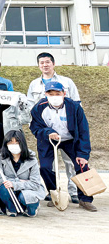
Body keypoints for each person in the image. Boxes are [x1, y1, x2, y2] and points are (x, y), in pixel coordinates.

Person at [29, 81, 96, 212]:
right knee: (45, 167)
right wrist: (48, 133)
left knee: (82, 166)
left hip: (70, 140)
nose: (54, 96)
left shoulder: (74, 107)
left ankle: (85, 199)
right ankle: (54, 193)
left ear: (64, 94)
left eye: (57, 93)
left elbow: (83, 131)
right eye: (50, 93)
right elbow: (35, 128)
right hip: (48, 140)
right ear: (45, 94)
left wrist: (83, 154)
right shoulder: (39, 107)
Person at [26, 52, 80, 201]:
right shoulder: (34, 84)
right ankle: (53, 191)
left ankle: (73, 191)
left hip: (67, 131)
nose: (45, 65)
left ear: (53, 64)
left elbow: (76, 103)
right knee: (48, 165)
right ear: (38, 65)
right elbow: (31, 108)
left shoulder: (67, 82)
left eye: (48, 62)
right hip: (47, 132)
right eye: (42, 62)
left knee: (70, 162)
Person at [0, 130, 46, 217]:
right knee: (4, 188)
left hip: (27, 190)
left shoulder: (32, 158)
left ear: (22, 143)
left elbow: (35, 183)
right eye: (10, 142)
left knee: (25, 197)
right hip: (10, 189)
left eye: (17, 142)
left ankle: (32, 208)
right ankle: (11, 208)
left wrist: (14, 183)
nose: (14, 145)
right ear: (6, 144)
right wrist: (20, 181)